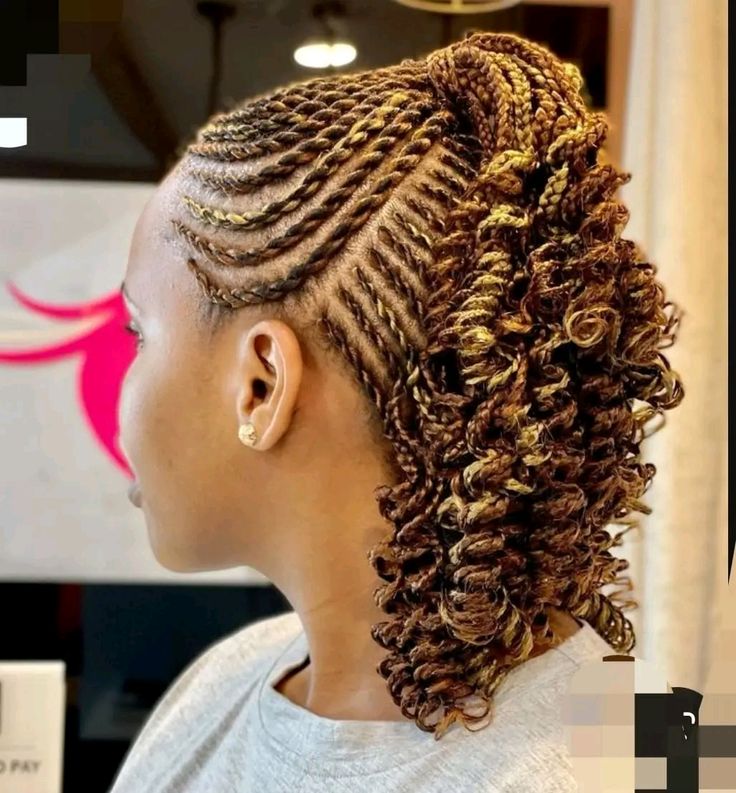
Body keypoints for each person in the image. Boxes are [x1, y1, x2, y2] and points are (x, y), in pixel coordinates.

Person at [109, 30, 683, 793]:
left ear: (262, 384)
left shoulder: (638, 763)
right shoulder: (224, 680)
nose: (122, 381)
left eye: (138, 331)